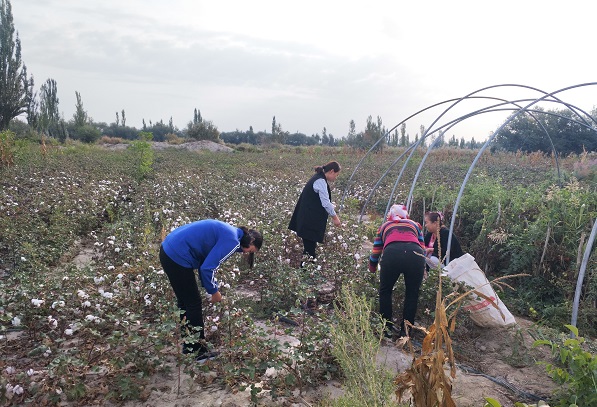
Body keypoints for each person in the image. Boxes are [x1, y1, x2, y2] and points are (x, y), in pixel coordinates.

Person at [159, 219, 263, 361]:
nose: (246, 253)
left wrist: (209, 287)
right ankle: (199, 352)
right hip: (177, 256)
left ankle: (189, 347)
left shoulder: (230, 232)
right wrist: (214, 292)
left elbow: (204, 261)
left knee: (184, 302)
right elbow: (207, 268)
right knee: (193, 304)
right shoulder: (232, 240)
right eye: (250, 251)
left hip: (168, 249)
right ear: (250, 243)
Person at [369, 204, 426, 338]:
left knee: (385, 291)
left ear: (390, 215)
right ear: (405, 215)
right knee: (412, 293)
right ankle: (405, 332)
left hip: (392, 254)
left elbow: (376, 251)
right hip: (415, 254)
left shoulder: (384, 226)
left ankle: (387, 329)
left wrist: (372, 268)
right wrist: (423, 269)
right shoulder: (414, 225)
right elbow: (422, 249)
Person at [288, 161, 341, 263]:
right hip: (309, 222)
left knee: (309, 250)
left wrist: (332, 206)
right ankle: (306, 275)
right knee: (310, 252)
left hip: (307, 220)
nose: (336, 178)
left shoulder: (317, 178)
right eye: (336, 175)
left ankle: (306, 274)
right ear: (331, 171)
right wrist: (335, 218)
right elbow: (325, 203)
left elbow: (319, 200)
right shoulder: (320, 181)